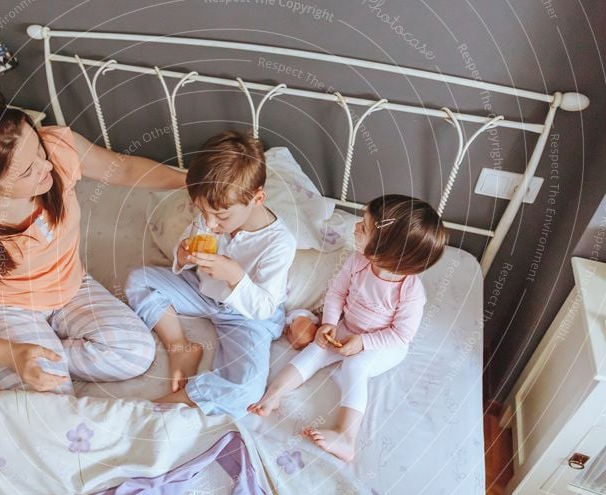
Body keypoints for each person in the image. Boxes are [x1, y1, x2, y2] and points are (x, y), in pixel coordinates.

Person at [0, 103, 185, 393]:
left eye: (39, 150)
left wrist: (188, 179)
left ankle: (4, 363)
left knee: (135, 353)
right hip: (3, 308)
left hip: (71, 288)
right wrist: (9, 353)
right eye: (28, 170)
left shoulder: (57, 148)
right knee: (49, 398)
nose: (48, 166)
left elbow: (125, 169)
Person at [248, 194, 448, 461]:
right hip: (347, 327)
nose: (355, 227)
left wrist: (363, 344)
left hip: (384, 344)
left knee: (355, 366)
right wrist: (329, 323)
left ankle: (346, 436)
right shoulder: (358, 262)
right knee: (315, 350)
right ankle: (273, 395)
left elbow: (402, 335)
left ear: (386, 251)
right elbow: (336, 294)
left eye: (363, 227)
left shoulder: (410, 292)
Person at [126, 131, 297, 418]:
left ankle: (185, 398)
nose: (210, 222)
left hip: (248, 316)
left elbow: (265, 306)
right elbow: (193, 243)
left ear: (257, 198)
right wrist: (183, 255)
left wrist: (235, 276)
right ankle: (180, 347)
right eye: (202, 212)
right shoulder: (212, 212)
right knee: (138, 279)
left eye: (220, 216)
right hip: (203, 292)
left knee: (247, 391)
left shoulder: (279, 243)